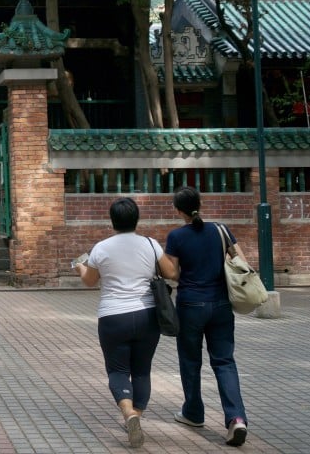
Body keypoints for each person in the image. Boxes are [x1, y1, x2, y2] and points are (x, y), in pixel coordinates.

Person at [74, 197, 178, 448]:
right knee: (141, 370)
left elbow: (90, 281)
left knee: (118, 370)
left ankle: (128, 413)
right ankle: (137, 416)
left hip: (113, 317)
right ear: (136, 219)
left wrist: (79, 266)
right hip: (146, 315)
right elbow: (171, 274)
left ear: (112, 221)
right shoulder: (150, 244)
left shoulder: (101, 248)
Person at [165, 186, 249, 447]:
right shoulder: (220, 230)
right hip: (222, 305)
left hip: (191, 305)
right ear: (199, 204)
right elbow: (241, 262)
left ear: (178, 211)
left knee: (190, 361)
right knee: (224, 361)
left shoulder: (176, 236)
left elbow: (171, 273)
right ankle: (236, 418)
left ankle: (193, 412)